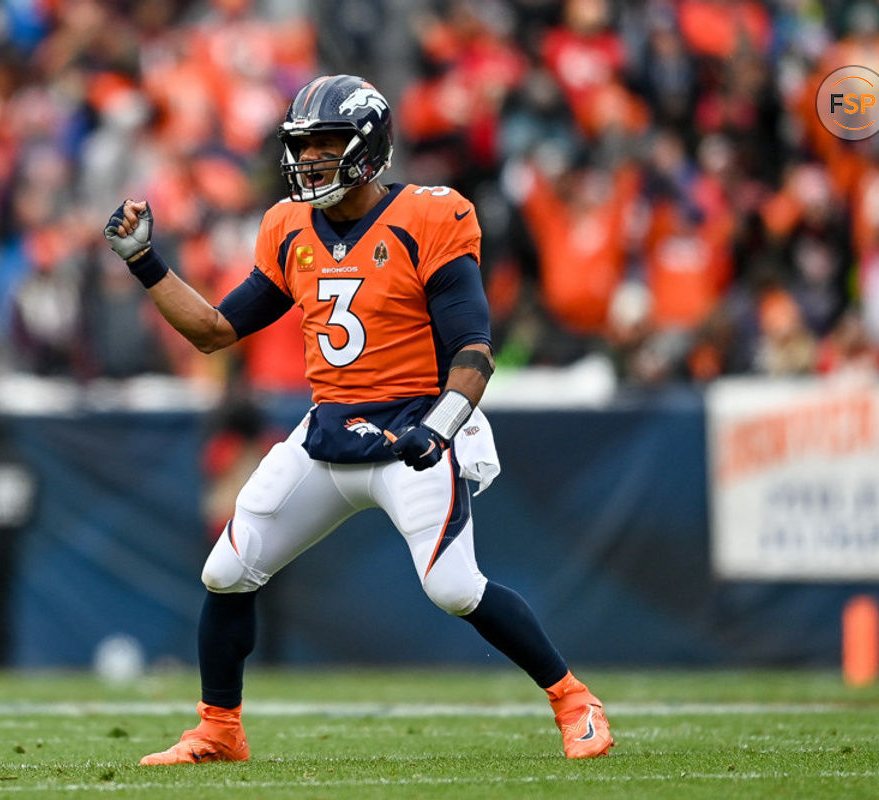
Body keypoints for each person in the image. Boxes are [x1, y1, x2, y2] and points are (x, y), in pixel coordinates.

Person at [104, 74, 613, 763]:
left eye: (327, 144)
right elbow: (216, 331)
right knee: (226, 571)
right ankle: (219, 728)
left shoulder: (431, 216)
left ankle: (574, 701)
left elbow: (474, 352)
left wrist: (440, 428)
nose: (310, 160)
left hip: (414, 433)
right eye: (303, 146)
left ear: (369, 148)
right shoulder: (288, 226)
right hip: (331, 434)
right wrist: (145, 262)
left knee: (454, 587)